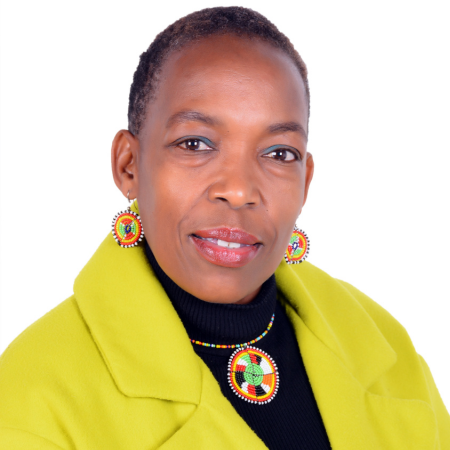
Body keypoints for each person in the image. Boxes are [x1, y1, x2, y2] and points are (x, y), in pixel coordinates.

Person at [0, 6, 448, 450]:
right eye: (195, 144)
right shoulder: (33, 396)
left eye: (279, 153)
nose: (238, 190)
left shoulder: (380, 340)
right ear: (129, 165)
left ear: (305, 182)